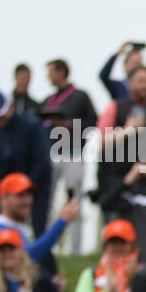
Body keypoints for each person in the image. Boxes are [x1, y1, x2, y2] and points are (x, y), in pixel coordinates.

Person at [95, 65, 146, 206]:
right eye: (140, 81)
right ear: (129, 84)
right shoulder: (115, 107)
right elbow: (102, 141)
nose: (144, 86)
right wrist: (127, 130)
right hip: (115, 181)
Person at [0, 173, 80, 280]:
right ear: (3, 199)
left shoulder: (17, 229)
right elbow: (28, 257)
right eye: (20, 195)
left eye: (29, 195)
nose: (27, 201)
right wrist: (61, 222)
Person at [0, 89, 52, 237]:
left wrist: (25, 188)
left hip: (36, 186)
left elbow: (42, 161)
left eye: (2, 113)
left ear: (12, 106)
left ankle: (43, 259)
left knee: (39, 229)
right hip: (9, 189)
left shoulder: (32, 126)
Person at [38, 59, 98, 205]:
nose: (48, 77)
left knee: (73, 197)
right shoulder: (48, 100)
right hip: (51, 154)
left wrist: (69, 125)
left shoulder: (80, 96)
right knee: (47, 196)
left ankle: (74, 227)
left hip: (73, 153)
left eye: (50, 72)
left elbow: (93, 122)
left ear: (61, 72)